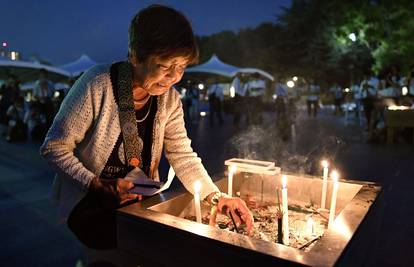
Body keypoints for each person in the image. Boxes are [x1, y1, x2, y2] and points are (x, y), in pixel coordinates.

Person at [40, 5, 253, 266]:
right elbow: (54, 147)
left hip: (138, 209)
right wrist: (97, 185)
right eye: (165, 65)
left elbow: (182, 155)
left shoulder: (170, 100)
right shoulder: (97, 84)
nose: (174, 77)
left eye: (182, 66)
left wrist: (217, 197)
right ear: (135, 56)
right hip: (90, 208)